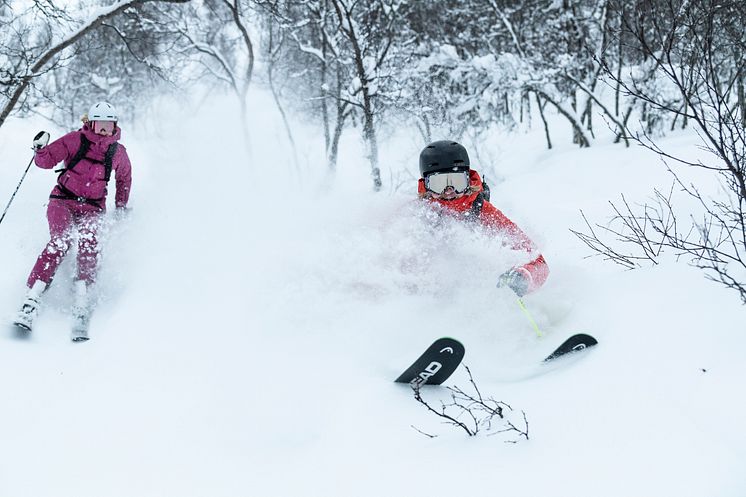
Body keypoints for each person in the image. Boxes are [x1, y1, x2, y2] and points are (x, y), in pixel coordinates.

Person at [14, 101, 132, 340]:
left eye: (109, 126)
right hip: (63, 200)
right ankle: (32, 298)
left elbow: (125, 178)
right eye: (100, 124)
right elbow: (47, 161)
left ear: (114, 127)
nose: (104, 130)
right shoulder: (75, 140)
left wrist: (121, 205)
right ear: (91, 123)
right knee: (61, 241)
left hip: (92, 207)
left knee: (89, 244)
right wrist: (40, 150)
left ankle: (82, 298)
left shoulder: (117, 152)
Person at [417, 140, 548, 296]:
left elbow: (538, 262)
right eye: (439, 183)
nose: (449, 190)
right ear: (426, 186)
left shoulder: (482, 211)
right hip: (432, 300)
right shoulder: (417, 215)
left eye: (456, 182)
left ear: (468, 179)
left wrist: (523, 276)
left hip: (478, 296)